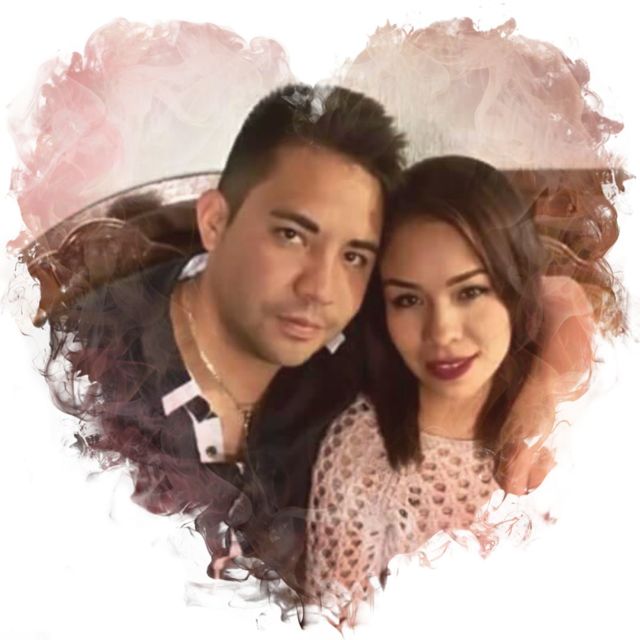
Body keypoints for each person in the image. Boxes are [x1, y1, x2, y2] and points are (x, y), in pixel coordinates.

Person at [304, 156, 601, 621]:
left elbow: (566, 295)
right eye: (408, 299)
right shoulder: (362, 460)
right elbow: (335, 618)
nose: (441, 332)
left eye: (469, 292)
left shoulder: (580, 391)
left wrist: (543, 393)